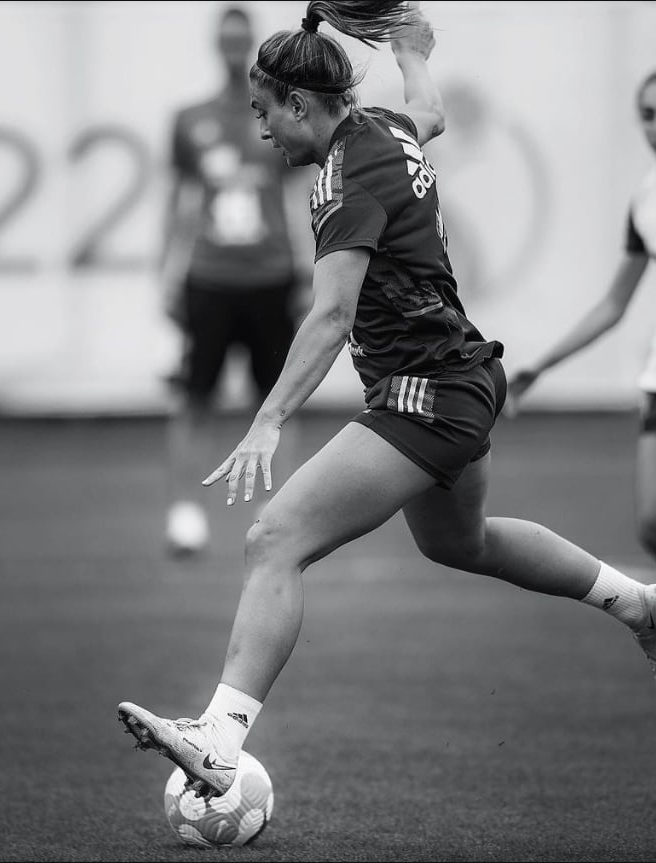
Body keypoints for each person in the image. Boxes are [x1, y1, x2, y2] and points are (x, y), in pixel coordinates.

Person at [118, 0, 656, 800]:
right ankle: (640, 602)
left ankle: (219, 739)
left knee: (274, 538)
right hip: (464, 378)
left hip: (425, 393)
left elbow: (332, 315)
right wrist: (413, 54)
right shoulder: (383, 129)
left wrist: (268, 418)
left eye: (267, 113)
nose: (262, 131)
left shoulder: (346, 174)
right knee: (459, 543)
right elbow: (430, 112)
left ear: (301, 105)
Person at [161, 5, 312, 556]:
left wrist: (305, 267)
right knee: (193, 396)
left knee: (277, 397)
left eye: (239, 39)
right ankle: (184, 514)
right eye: (223, 39)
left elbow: (297, 196)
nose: (231, 47)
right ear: (215, 44)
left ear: (250, 45)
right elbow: (177, 201)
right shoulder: (189, 118)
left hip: (271, 275)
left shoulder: (273, 116)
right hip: (210, 276)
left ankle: (272, 512)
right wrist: (168, 272)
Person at [507, 69, 656, 558]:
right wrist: (539, 366)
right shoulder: (645, 198)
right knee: (653, 527)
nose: (655, 125)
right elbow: (615, 304)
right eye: (648, 115)